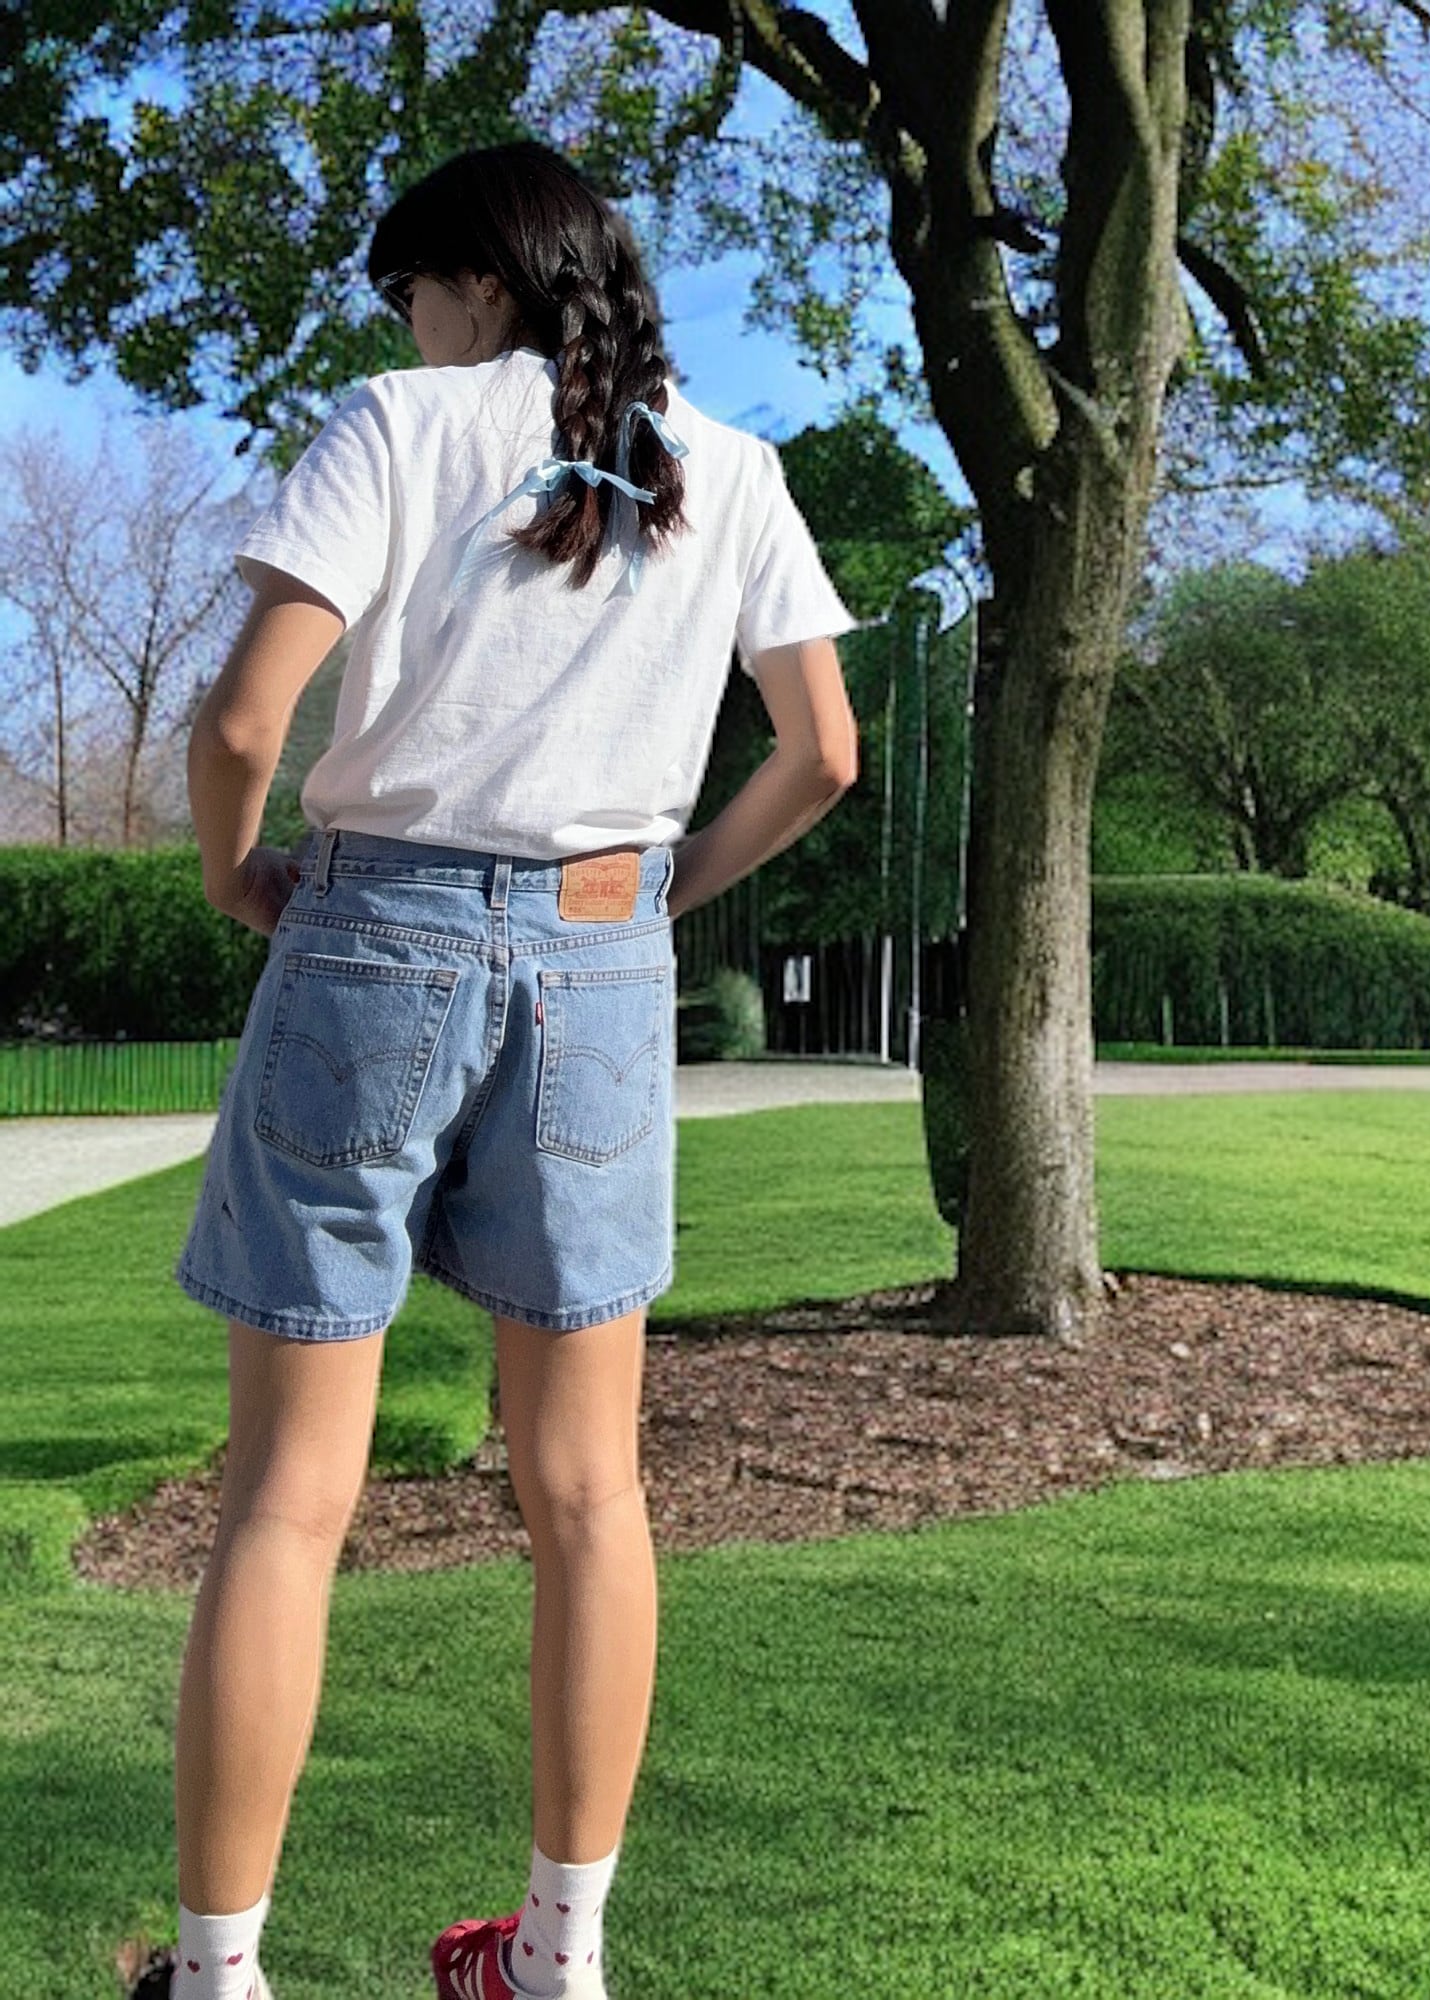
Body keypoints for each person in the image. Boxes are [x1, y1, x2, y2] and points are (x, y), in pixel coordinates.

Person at [163, 139, 861, 2000]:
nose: (406, 324)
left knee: (288, 1497)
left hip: (371, 934)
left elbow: (244, 720)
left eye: (411, 291)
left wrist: (232, 872)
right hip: (604, 959)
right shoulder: (734, 470)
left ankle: (219, 1977)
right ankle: (558, 1962)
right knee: (590, 1493)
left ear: (476, 280)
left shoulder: (401, 424)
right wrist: (653, 897)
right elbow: (823, 751)